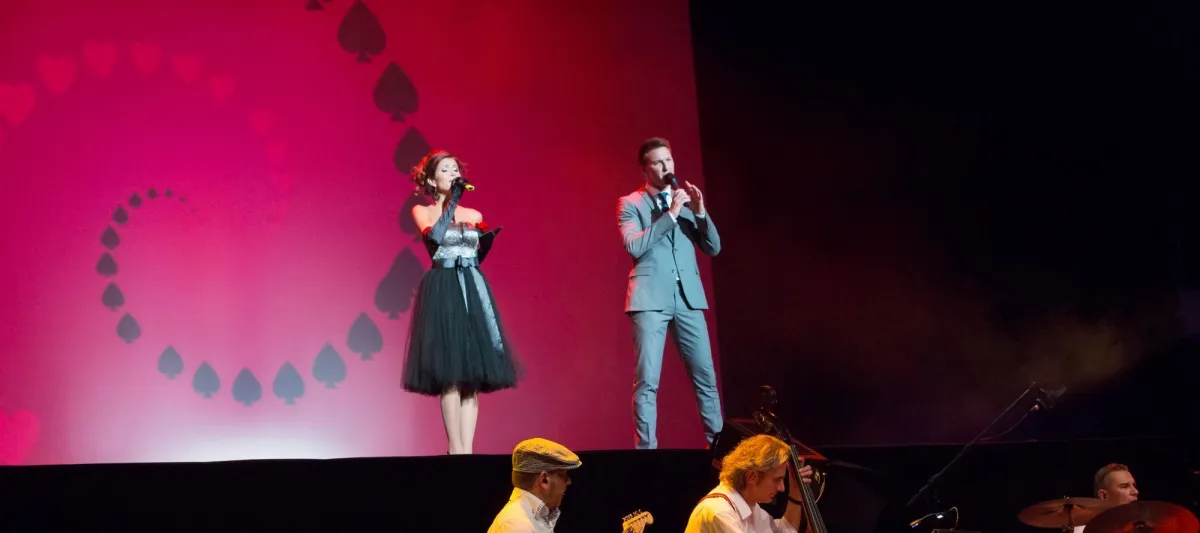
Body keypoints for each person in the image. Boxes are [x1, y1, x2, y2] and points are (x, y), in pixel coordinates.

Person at [401, 149, 519, 455]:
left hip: (472, 287)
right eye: (445, 169)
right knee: (451, 376)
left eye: (455, 169)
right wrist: (452, 202)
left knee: (471, 379)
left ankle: (469, 451)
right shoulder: (422, 211)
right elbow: (436, 239)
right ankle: (455, 450)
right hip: (444, 290)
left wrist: (486, 242)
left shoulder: (474, 215)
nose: (453, 173)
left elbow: (479, 251)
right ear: (431, 180)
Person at [617, 136, 723, 449]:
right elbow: (634, 245)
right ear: (645, 169)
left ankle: (719, 452)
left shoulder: (685, 203)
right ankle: (647, 454)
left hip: (688, 300)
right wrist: (671, 215)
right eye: (658, 162)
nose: (666, 167)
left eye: (669, 160)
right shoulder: (631, 203)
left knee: (706, 379)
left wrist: (699, 212)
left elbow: (713, 248)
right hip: (650, 300)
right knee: (647, 381)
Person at [685, 434, 816, 533]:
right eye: (777, 479)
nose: (782, 488)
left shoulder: (750, 506)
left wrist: (795, 493)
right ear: (752, 475)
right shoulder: (720, 512)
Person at [487, 437, 582, 533]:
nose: (569, 481)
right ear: (544, 480)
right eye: (563, 475)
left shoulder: (528, 519)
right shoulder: (517, 526)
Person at [1072, 463, 1140, 532]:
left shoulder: (1141, 526)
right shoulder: (1083, 530)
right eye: (1125, 486)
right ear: (1104, 496)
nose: (1135, 491)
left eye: (1134, 485)